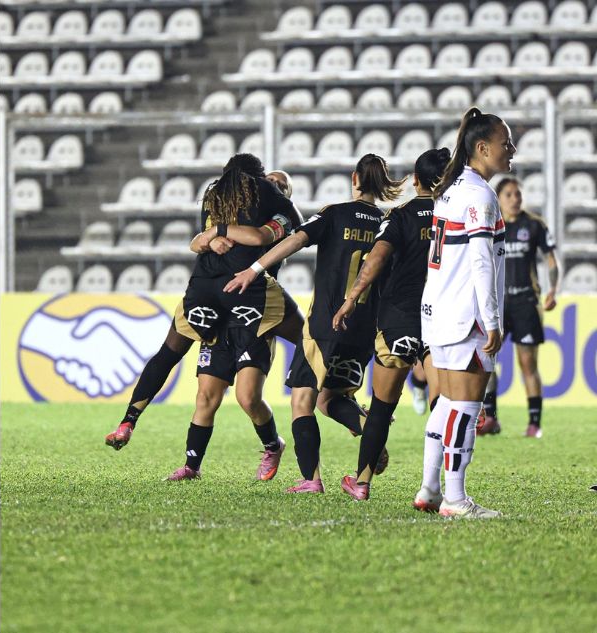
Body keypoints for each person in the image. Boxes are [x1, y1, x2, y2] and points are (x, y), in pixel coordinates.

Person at [104, 155, 302, 482]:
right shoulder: (231, 204)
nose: (274, 185)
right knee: (205, 396)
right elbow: (200, 241)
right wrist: (209, 236)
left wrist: (218, 233)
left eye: (282, 185)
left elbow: (259, 237)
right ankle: (191, 466)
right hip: (218, 305)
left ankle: (273, 444)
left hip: (252, 311)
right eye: (272, 179)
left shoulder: (280, 216)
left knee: (247, 397)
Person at [226, 154, 404, 493]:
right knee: (328, 399)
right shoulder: (387, 222)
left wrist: (254, 268)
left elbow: (296, 239)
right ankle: (368, 425)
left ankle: (311, 479)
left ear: (355, 179)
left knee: (302, 401)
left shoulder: (334, 214)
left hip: (326, 324)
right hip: (366, 328)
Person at [333, 148, 450, 500]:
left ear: (415, 180)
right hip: (442, 318)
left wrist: (352, 298)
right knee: (442, 404)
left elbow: (377, 258)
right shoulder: (455, 214)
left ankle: (362, 482)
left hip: (399, 318)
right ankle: (435, 486)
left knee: (382, 406)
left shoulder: (400, 216)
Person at [415, 107, 514, 519]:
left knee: (446, 404)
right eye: (506, 143)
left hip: (439, 310)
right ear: (482, 147)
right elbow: (480, 261)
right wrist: (491, 320)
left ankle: (430, 488)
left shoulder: (452, 188)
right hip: (466, 315)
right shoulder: (479, 195)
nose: (512, 150)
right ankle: (455, 499)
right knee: (466, 407)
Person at [475, 177, 558, 438]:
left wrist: (553, 289)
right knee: (487, 360)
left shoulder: (534, 225)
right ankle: (491, 418)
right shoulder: (490, 226)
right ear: (498, 198)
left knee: (527, 364)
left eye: (517, 194)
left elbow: (551, 260)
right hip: (498, 304)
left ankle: (534, 423)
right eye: (509, 194)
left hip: (525, 302)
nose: (515, 199)